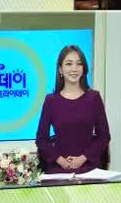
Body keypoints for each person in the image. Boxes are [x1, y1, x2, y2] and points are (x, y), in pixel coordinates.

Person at [35, 45, 111, 174]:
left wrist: (82, 158)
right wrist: (60, 160)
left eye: (79, 64)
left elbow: (104, 136)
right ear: (60, 69)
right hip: (59, 167)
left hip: (88, 166)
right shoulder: (51, 100)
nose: (74, 69)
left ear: (83, 68)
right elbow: (41, 139)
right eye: (69, 64)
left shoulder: (94, 98)